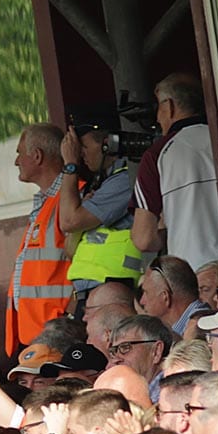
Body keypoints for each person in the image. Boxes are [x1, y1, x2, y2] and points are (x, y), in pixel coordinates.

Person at [130, 73, 218, 269]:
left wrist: (168, 230)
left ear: (169, 106)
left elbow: (143, 239)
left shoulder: (158, 154)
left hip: (193, 272)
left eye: (159, 107)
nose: (157, 117)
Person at [58, 120, 142, 302]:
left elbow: (69, 221)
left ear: (107, 144)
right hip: (94, 290)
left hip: (112, 289)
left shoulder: (124, 180)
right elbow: (70, 248)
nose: (80, 154)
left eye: (84, 146)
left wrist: (70, 165)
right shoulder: (103, 184)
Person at [6, 123, 71, 355]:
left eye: (19, 154)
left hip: (57, 332)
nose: (16, 162)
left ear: (37, 156)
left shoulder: (71, 198)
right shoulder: (48, 202)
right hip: (38, 333)